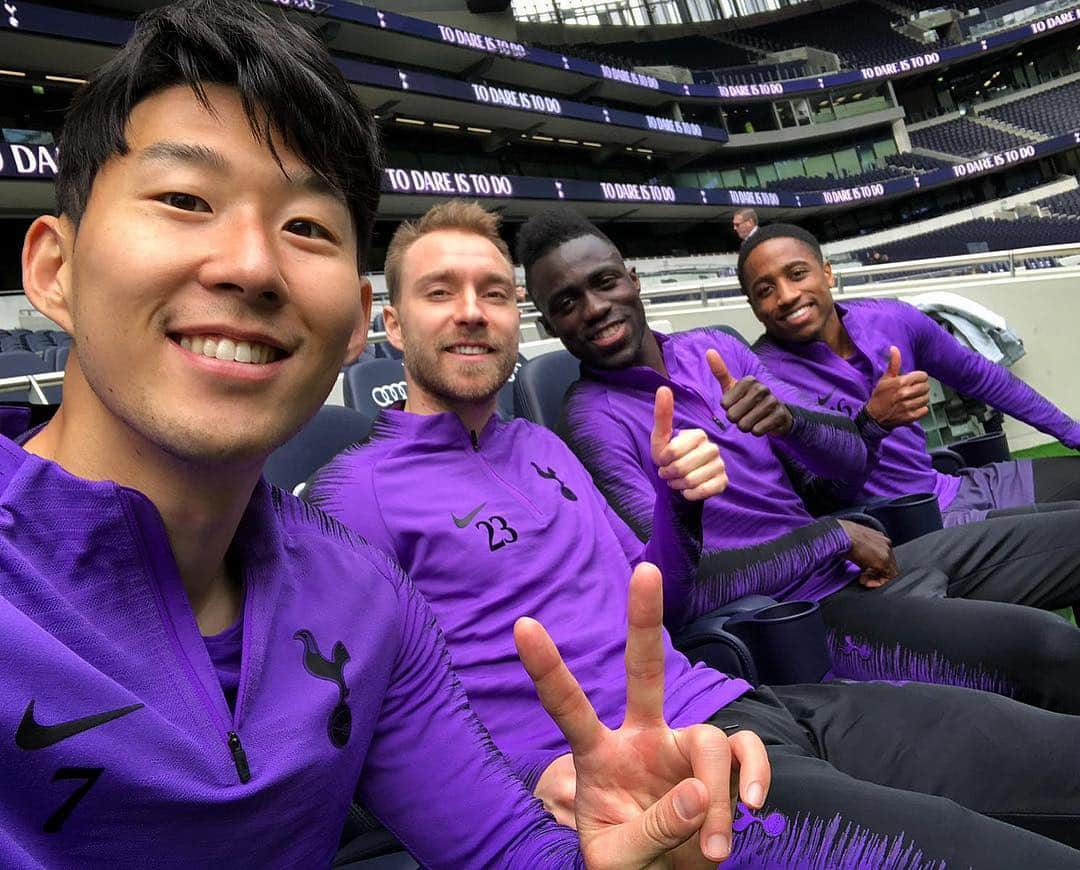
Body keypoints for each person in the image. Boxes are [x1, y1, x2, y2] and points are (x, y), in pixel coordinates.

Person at [0, 4, 751, 866]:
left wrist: (629, 854)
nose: (250, 265)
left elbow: (506, 848)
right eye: (184, 199)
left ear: (354, 323)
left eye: (307, 227)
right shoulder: (364, 502)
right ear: (54, 270)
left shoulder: (362, 599)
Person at [311, 199, 1080, 867]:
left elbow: (661, 600)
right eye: (440, 292)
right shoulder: (357, 491)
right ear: (391, 320)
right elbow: (357, 728)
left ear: (517, 317)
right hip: (655, 783)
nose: (472, 311)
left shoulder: (539, 447)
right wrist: (522, 777)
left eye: (494, 293)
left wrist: (679, 507)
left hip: (750, 703)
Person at [519, 206, 1080, 715]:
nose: (594, 308)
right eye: (566, 303)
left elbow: (848, 462)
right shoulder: (592, 422)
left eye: (604, 282)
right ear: (547, 324)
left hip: (860, 561)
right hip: (806, 612)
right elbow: (678, 595)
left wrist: (792, 422)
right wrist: (832, 537)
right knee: (1048, 650)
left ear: (632, 280)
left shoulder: (714, 345)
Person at [744, 223, 1080, 526]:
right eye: (765, 290)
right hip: (904, 527)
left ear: (827, 273)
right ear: (754, 306)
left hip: (953, 487)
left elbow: (983, 378)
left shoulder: (894, 319)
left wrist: (1073, 434)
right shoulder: (763, 377)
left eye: (798, 274)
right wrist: (872, 424)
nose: (786, 296)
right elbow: (823, 499)